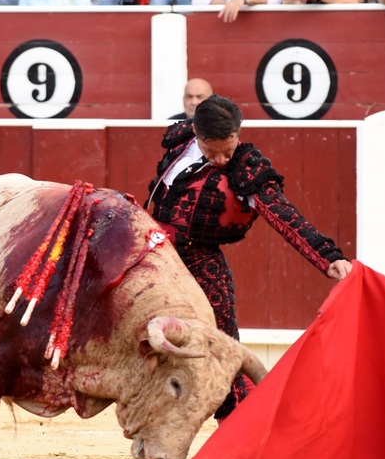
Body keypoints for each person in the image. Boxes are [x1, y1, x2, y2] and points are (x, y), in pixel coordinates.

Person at [145, 95, 352, 420]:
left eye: (228, 148)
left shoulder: (246, 167)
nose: (222, 158)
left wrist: (328, 257)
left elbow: (283, 215)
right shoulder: (181, 138)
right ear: (197, 135)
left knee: (224, 339)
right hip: (154, 250)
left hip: (198, 257)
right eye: (212, 151)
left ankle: (240, 422)